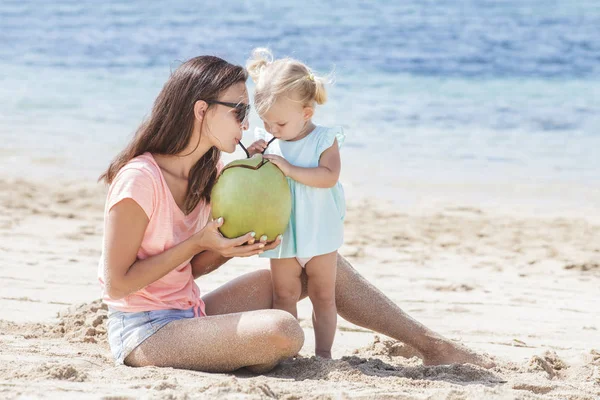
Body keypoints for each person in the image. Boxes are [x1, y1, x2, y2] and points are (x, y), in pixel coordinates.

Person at [98, 55, 493, 373]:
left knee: (314, 266)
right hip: (146, 331)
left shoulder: (211, 174)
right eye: (238, 111)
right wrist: (198, 242)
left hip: (191, 311)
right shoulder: (140, 179)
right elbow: (118, 285)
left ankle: (431, 345)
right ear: (201, 110)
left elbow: (190, 270)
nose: (248, 122)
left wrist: (227, 248)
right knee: (283, 329)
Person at [244, 48, 345, 359]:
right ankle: (288, 353)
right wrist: (253, 155)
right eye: (266, 122)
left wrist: (289, 169)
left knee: (323, 296)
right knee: (284, 294)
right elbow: (254, 180)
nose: (273, 130)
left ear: (306, 113)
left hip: (319, 232)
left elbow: (328, 177)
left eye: (280, 124)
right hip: (284, 231)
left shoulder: (323, 139)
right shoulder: (270, 139)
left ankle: (323, 353)